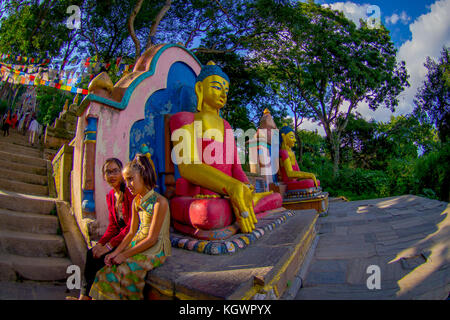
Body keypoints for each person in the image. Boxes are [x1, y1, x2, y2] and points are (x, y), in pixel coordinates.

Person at [89, 154, 171, 300]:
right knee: (104, 272)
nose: (127, 185)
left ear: (144, 176)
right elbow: (132, 232)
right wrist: (115, 253)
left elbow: (152, 239)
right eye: (126, 180)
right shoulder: (136, 202)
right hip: (138, 242)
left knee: (124, 270)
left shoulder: (160, 202)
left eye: (131, 179)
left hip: (156, 249)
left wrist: (124, 255)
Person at [68, 158, 135, 300]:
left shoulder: (129, 193)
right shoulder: (111, 196)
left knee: (102, 259)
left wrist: (109, 246)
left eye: (115, 171)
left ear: (122, 173)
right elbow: (113, 226)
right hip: (119, 238)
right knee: (91, 253)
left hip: (130, 239)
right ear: (104, 176)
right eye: (108, 172)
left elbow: (130, 226)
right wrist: (100, 243)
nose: (111, 175)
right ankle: (84, 297)